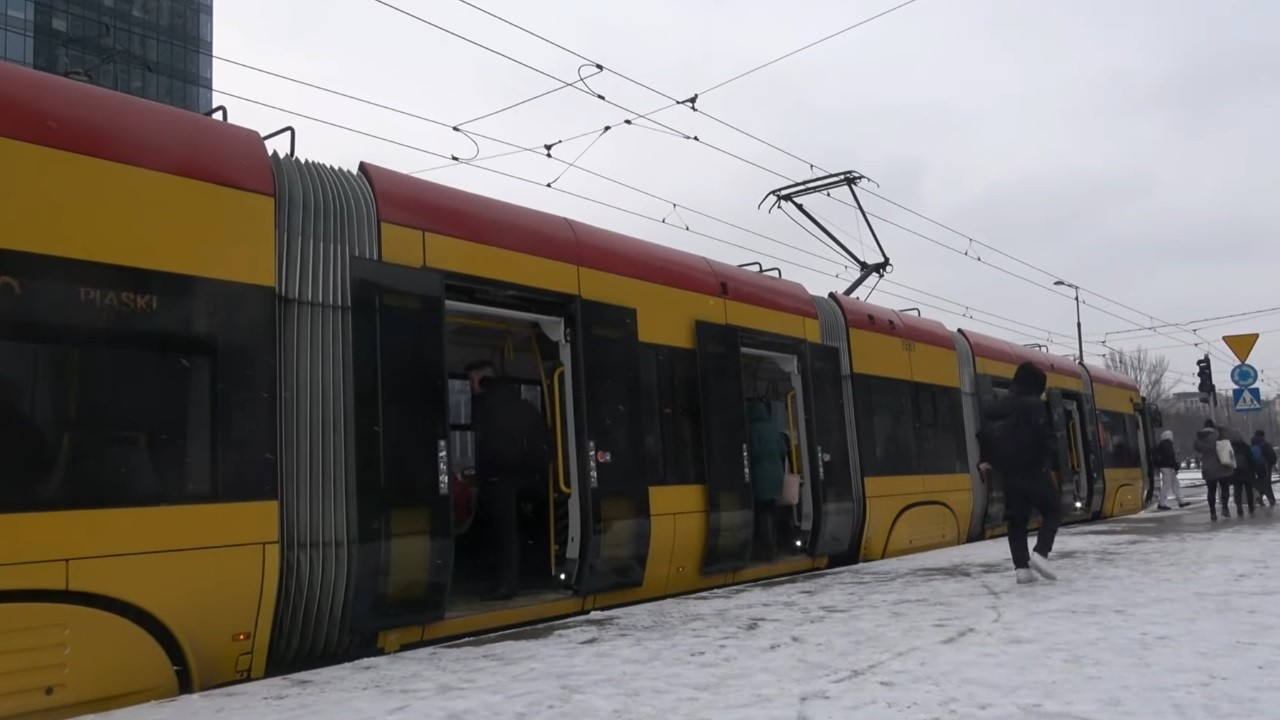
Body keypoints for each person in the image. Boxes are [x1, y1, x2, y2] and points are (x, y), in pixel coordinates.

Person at [466, 359, 552, 601]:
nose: (471, 387)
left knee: (503, 533)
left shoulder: (489, 406)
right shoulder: (520, 405)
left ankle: (505, 585)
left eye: (472, 380)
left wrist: (485, 475)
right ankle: (508, 582)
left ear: (484, 381)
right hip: (520, 477)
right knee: (508, 533)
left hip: (500, 478)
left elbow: (493, 447)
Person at [978, 361, 1060, 585]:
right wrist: (1049, 453)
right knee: (1053, 509)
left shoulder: (997, 406)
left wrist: (985, 460)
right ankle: (1041, 554)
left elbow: (984, 435)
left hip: (1008, 474)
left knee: (1016, 521)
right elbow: (1043, 435)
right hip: (1034, 469)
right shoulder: (1033, 405)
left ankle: (1021, 569)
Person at [746, 398, 788, 561]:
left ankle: (767, 549)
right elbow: (782, 450)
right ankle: (774, 547)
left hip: (759, 476)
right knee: (771, 510)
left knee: (761, 512)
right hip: (776, 475)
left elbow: (752, 452)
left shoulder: (751, 430)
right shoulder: (773, 428)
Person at [1194, 420, 1235, 521]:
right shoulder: (1219, 436)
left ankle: (1212, 512)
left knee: (1211, 491)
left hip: (1208, 469)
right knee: (1225, 489)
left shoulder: (1201, 439)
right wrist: (1221, 427)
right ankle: (1225, 507)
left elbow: (1196, 447)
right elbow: (1232, 437)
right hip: (1222, 467)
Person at [1152, 429, 1188, 510]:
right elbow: (1170, 456)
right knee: (1168, 485)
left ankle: (1180, 501)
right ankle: (1162, 503)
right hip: (1168, 467)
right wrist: (1175, 465)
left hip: (1164, 467)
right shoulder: (1168, 444)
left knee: (1174, 484)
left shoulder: (1161, 444)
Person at [1252, 431, 1277, 507]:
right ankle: (1271, 500)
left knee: (1263, 482)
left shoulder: (1253, 443)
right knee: (1267, 483)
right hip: (1265, 465)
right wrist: (1273, 463)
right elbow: (1271, 454)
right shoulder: (1264, 444)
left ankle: (1260, 498)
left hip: (1256, 466)